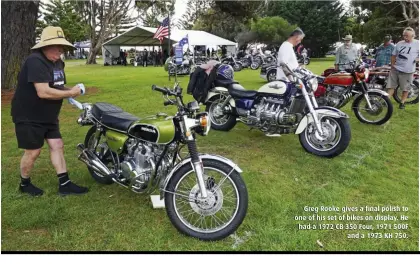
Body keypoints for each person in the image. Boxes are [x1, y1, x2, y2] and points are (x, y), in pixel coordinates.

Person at [11, 26, 88, 196]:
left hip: (48, 114)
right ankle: (24, 184)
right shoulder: (35, 61)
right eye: (56, 47)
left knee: (57, 145)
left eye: (62, 47)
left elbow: (57, 86)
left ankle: (65, 184)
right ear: (44, 46)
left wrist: (72, 93)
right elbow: (43, 91)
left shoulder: (58, 62)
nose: (60, 51)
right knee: (33, 151)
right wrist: (70, 92)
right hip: (28, 115)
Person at [387, 27, 419, 109]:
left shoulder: (417, 44)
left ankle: (402, 103)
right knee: (391, 86)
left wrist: (418, 59)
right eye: (404, 35)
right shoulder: (399, 43)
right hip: (396, 69)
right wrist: (392, 66)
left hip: (407, 71)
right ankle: (386, 101)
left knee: (405, 88)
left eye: (407, 36)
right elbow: (394, 55)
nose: (405, 38)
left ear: (413, 36)